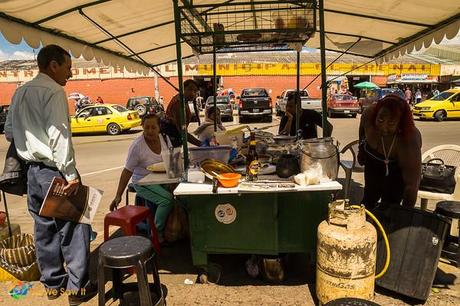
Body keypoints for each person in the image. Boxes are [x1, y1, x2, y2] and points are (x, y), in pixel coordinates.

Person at [4, 45, 96, 304]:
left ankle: (53, 285)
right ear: (53, 65)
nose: (71, 73)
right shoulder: (54, 92)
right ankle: (77, 288)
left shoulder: (20, 91)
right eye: (68, 67)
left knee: (43, 228)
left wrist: (28, 139)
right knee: (73, 227)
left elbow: (9, 131)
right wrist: (70, 174)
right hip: (55, 171)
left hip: (32, 173)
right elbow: (59, 136)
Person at [110, 114, 173, 243]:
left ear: (159, 128)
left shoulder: (165, 139)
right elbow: (127, 171)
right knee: (167, 200)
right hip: (142, 182)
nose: (150, 131)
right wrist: (118, 195)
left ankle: (173, 228)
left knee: (181, 194)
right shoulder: (137, 146)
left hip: (163, 178)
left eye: (153, 127)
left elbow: (171, 160)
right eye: (147, 127)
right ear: (142, 127)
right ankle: (156, 232)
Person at [358, 94, 422, 210]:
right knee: (368, 200)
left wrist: (404, 216)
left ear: (400, 124)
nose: (384, 127)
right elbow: (362, 128)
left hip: (396, 172)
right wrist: (361, 149)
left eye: (391, 123)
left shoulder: (409, 140)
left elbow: (411, 187)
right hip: (373, 163)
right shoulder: (369, 114)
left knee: (390, 207)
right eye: (380, 119)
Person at [161, 79, 202, 147]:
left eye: (195, 91)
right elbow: (182, 131)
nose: (192, 93)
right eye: (190, 89)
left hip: (174, 140)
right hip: (170, 142)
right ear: (183, 89)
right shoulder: (178, 103)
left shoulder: (184, 101)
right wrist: (201, 144)